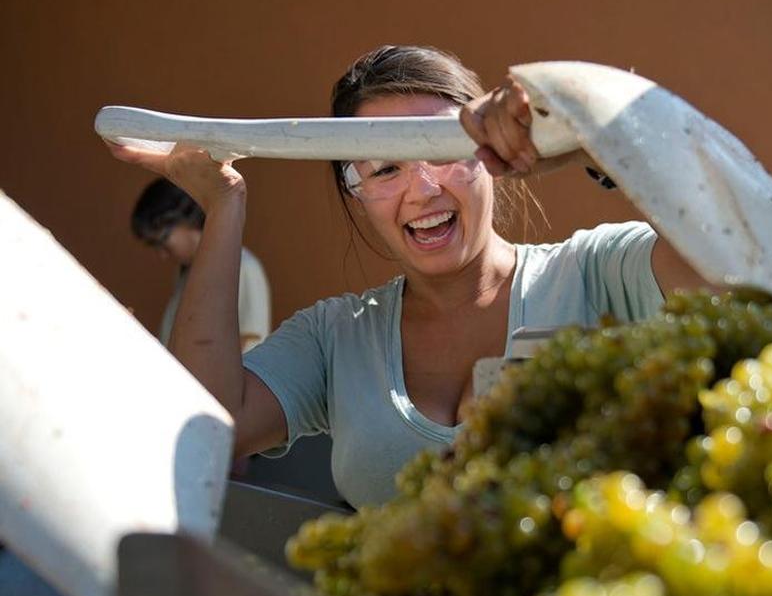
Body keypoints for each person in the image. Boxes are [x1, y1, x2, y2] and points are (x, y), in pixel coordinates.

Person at [105, 44, 708, 508]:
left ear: (492, 159)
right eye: (386, 168)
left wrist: (591, 132)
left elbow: (741, 272)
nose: (423, 189)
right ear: (356, 191)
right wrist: (223, 205)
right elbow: (212, 419)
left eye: (443, 150)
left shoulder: (602, 271)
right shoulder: (334, 338)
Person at [130, 178, 272, 352]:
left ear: (187, 219)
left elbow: (248, 346)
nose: (162, 254)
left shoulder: (242, 267)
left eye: (163, 240)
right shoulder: (186, 271)